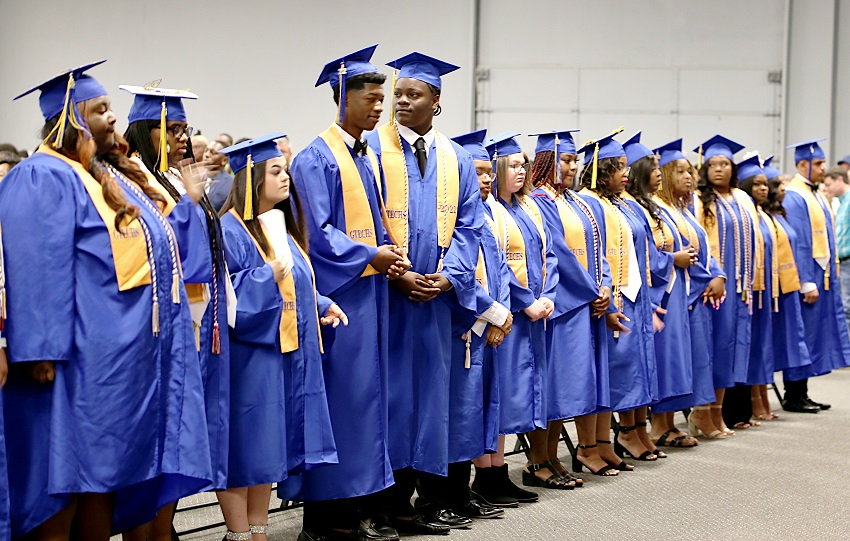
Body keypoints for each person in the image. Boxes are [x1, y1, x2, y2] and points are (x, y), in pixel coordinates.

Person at [0, 61, 212, 540]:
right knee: (64, 482)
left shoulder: (98, 178)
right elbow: (37, 265)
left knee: (101, 482)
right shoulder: (42, 176)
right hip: (71, 359)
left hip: (113, 357)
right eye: (101, 109)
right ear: (71, 118)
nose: (112, 118)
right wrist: (41, 349)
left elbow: (159, 250)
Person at [277, 45, 407, 541]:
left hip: (368, 296)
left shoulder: (364, 155)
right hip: (338, 297)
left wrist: (389, 249)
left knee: (366, 403)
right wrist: (369, 256)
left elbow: (370, 222)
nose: (380, 107)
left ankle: (357, 508)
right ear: (342, 100)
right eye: (372, 99)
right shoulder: (315, 158)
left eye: (382, 99)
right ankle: (328, 518)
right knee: (341, 405)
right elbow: (318, 232)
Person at [367, 52, 483, 532]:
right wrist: (398, 273)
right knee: (390, 398)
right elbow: (364, 222)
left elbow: (470, 226)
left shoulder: (455, 157)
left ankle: (419, 501)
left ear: (436, 100)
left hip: (435, 299)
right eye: (398, 94)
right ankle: (385, 502)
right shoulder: (374, 151)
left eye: (413, 95)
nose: (401, 102)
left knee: (430, 400)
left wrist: (449, 276)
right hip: (389, 297)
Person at [216, 133, 341, 540]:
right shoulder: (230, 230)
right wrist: (265, 275)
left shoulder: (278, 227)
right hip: (250, 357)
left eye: (284, 168)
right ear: (251, 178)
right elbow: (228, 297)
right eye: (275, 171)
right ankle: (237, 535)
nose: (285, 177)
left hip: (282, 352)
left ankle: (259, 530)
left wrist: (322, 304)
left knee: (268, 449)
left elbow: (297, 283)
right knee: (245, 448)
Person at [121, 83, 231, 541]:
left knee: (181, 433)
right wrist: (188, 197)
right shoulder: (138, 182)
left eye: (186, 129)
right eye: (174, 129)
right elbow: (175, 248)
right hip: (162, 321)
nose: (183, 138)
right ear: (150, 131)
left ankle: (163, 528)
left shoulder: (170, 178)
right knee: (161, 433)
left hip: (194, 317)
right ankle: (151, 530)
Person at [412, 129, 509, 522]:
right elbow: (458, 274)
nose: (484, 180)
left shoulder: (485, 220)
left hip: (481, 327)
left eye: (488, 173)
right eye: (477, 172)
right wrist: (496, 313)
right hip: (457, 323)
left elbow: (497, 271)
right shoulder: (446, 219)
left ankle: (461, 492)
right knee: (448, 416)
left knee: (470, 413)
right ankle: (438, 497)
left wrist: (503, 313)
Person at [528, 130, 616, 477]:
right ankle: (539, 460)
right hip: (562, 306)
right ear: (548, 162)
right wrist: (593, 290)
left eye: (574, 160)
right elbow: (560, 254)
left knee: (571, 387)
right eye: (566, 160)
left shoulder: (576, 201)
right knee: (552, 386)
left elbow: (599, 247)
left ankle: (554, 459)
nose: (573, 166)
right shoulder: (540, 200)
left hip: (585, 305)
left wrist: (605, 285)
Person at [577, 129, 658, 472]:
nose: (627, 173)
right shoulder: (589, 202)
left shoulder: (621, 202)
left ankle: (609, 441)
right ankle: (594, 445)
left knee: (622, 370)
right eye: (619, 166)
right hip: (609, 298)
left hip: (630, 294)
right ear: (602, 169)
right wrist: (608, 299)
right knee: (607, 372)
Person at [622, 133, 698, 453]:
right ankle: (650, 428)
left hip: (669, 289)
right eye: (652, 167)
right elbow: (643, 253)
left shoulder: (650, 205)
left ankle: (660, 425)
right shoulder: (631, 206)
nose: (658, 173)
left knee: (669, 360)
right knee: (657, 361)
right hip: (654, 294)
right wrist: (674, 259)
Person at [653, 139, 727, 442]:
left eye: (689, 171)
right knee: (669, 360)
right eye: (680, 171)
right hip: (672, 294)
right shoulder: (658, 209)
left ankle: (671, 424)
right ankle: (660, 425)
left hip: (693, 294)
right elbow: (659, 251)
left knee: (690, 359)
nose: (689, 177)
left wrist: (717, 274)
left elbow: (704, 248)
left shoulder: (682, 209)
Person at [781, 139, 850, 411]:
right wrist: (806, 281)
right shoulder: (795, 195)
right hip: (807, 278)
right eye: (818, 164)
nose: (823, 168)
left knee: (813, 335)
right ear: (801, 165)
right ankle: (793, 394)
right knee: (802, 335)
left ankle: (803, 391)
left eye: (822, 163)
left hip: (822, 276)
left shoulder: (816, 194)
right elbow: (798, 242)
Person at [692, 135, 754, 436]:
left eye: (725, 164)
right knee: (713, 346)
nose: (719, 169)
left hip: (740, 286)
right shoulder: (700, 200)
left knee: (730, 347)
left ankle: (718, 413)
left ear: (733, 167)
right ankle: (701, 414)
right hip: (713, 283)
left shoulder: (742, 198)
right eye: (713, 164)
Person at [725, 154, 775, 430]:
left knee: (747, 345)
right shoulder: (733, 206)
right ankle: (732, 412)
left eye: (766, 184)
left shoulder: (752, 209)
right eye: (757, 183)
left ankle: (746, 408)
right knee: (733, 346)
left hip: (752, 286)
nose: (764, 189)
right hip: (732, 285)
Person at [204, 138, 236, 211]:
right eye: (206, 151)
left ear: (224, 160)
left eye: (213, 153)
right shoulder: (196, 178)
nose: (207, 155)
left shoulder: (231, 184)